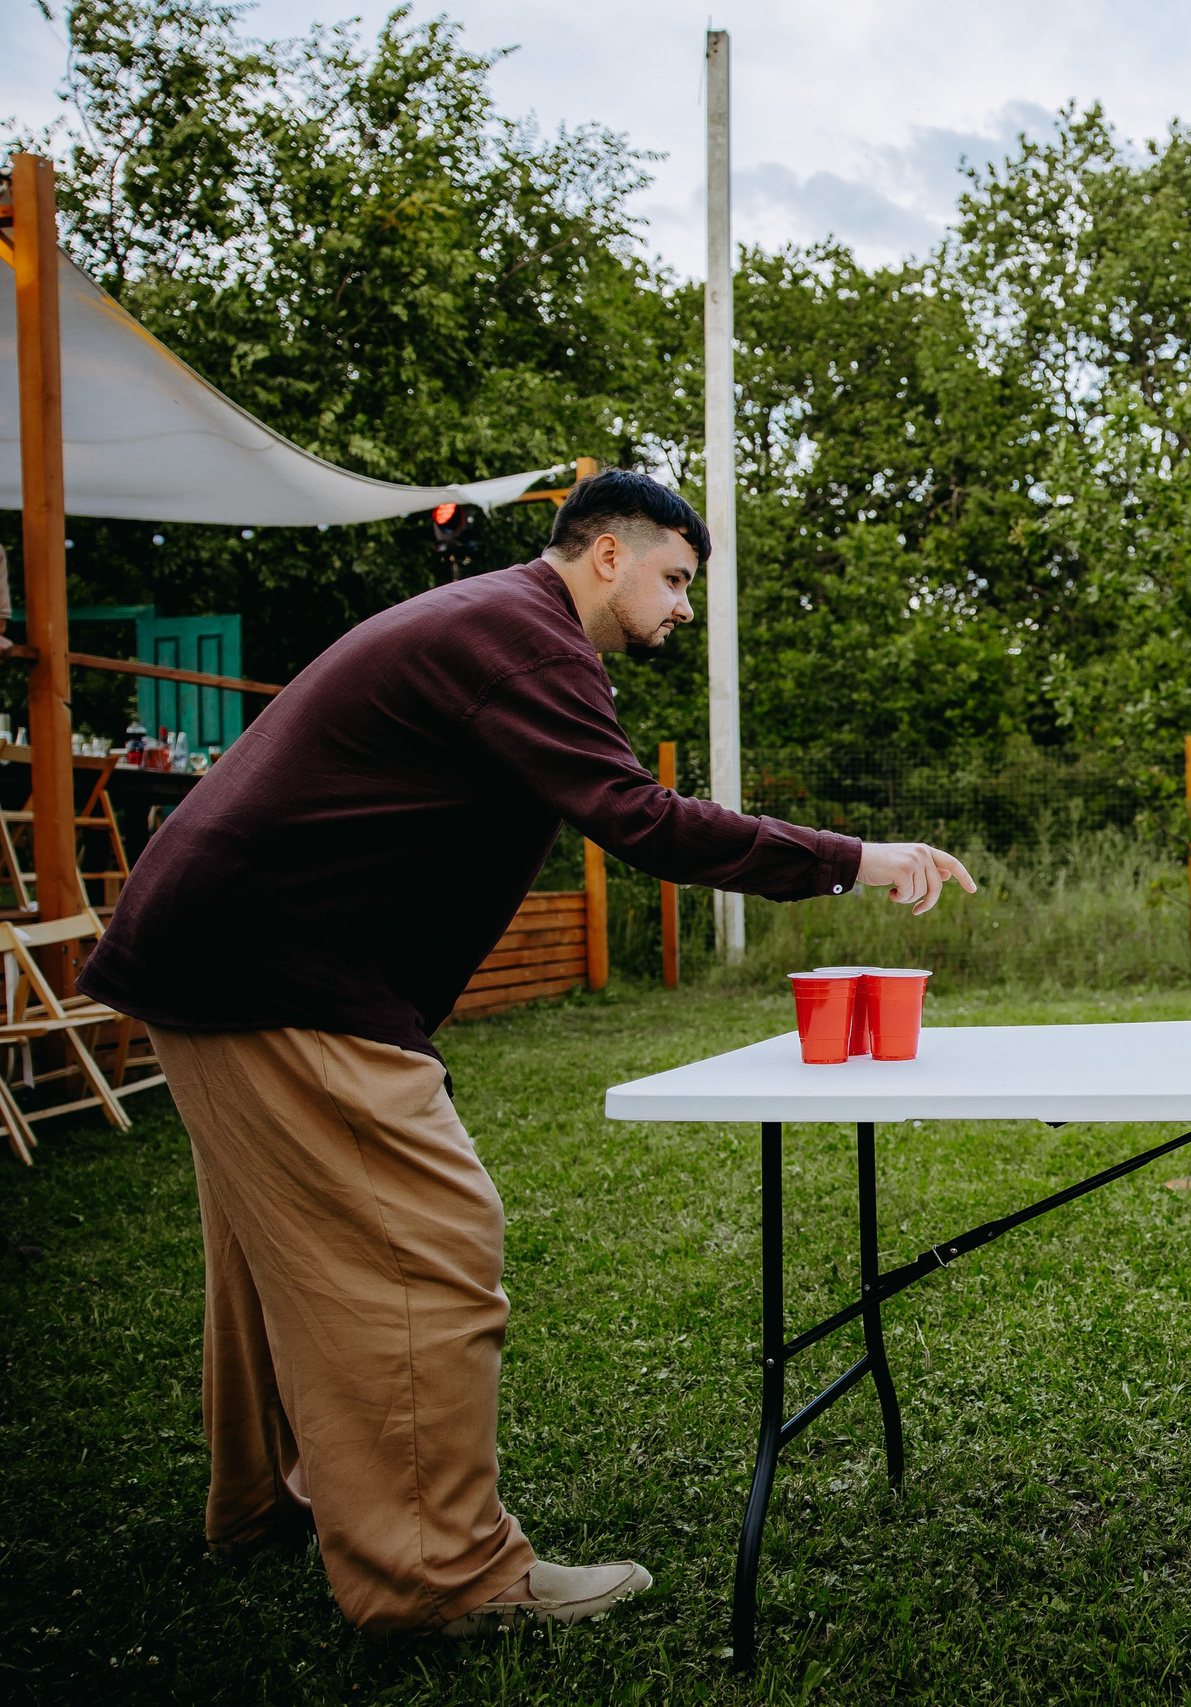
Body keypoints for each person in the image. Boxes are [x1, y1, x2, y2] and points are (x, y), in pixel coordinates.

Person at [77, 470, 976, 1639]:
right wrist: (852, 855)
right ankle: (441, 1579)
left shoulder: (495, 626)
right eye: (674, 580)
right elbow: (640, 819)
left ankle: (265, 1503)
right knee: (430, 1248)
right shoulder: (521, 639)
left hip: (218, 957)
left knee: (275, 1255)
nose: (681, 608)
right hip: (280, 973)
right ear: (606, 554)